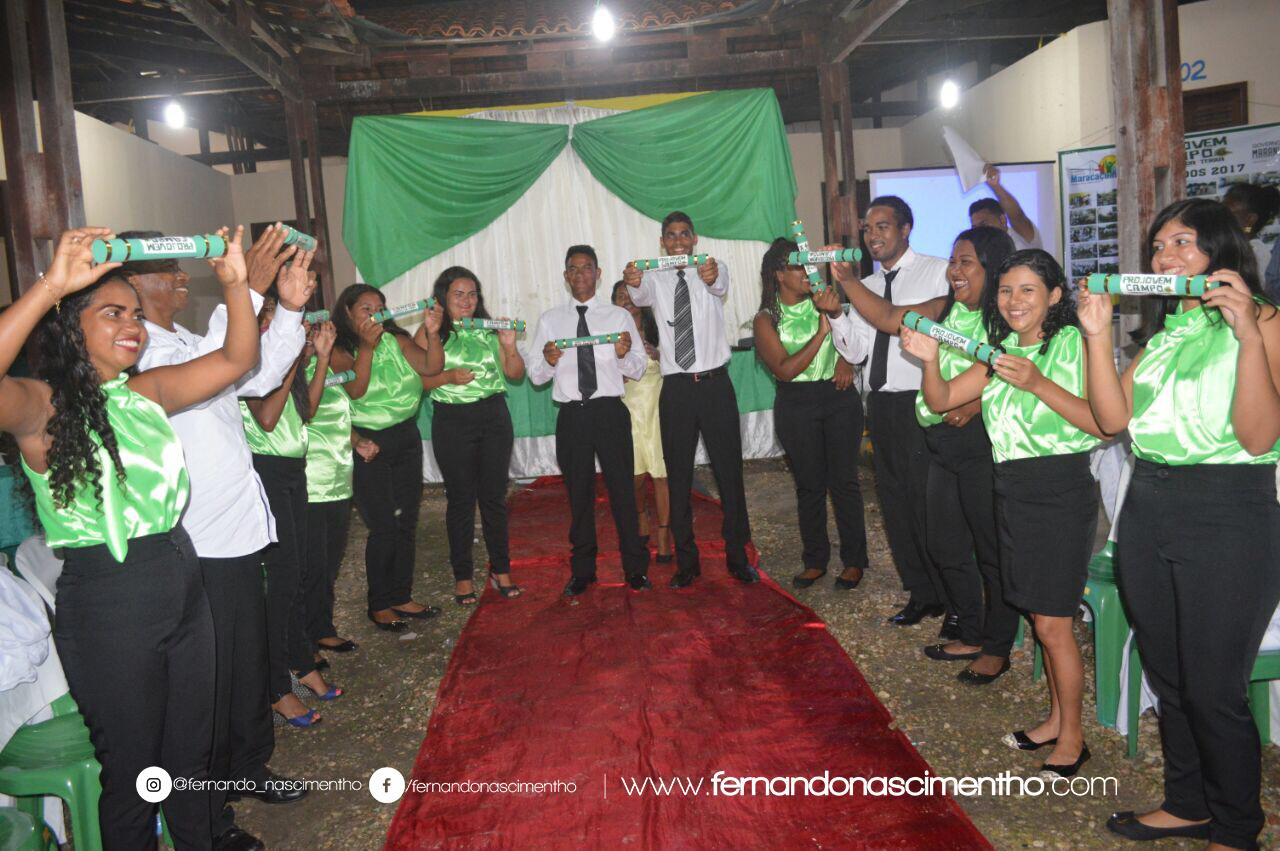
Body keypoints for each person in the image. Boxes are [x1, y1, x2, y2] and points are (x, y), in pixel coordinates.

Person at [0, 226, 258, 849]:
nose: (133, 325)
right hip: (109, 603)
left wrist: (236, 282)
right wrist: (51, 286)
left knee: (188, 769)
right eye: (112, 312)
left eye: (136, 314)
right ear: (69, 329)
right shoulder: (42, 408)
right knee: (136, 777)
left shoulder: (143, 395)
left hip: (181, 579)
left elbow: (235, 361)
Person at [1079, 198, 1280, 848]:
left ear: (1221, 251)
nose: (1166, 258)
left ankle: (1236, 825)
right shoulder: (1169, 334)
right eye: (1159, 246)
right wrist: (1096, 334)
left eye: (1183, 242)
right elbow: (1112, 420)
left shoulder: (1270, 322)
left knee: (1213, 685)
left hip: (1230, 512)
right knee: (1167, 673)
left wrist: (1248, 333)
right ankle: (1189, 801)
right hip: (1150, 507)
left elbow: (1256, 438)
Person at [129, 223, 309, 850]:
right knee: (204, 691)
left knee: (244, 666)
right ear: (131, 278)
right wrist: (248, 294)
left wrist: (284, 307)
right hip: (194, 536)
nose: (184, 277)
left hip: (234, 529)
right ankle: (209, 811)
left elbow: (253, 377)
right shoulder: (135, 349)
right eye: (170, 269)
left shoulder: (180, 337)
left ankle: (246, 768)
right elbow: (218, 365)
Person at [903, 248, 1106, 779]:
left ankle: (1075, 738)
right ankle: (1056, 720)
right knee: (1041, 620)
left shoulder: (1074, 345)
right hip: (1010, 489)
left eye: (1028, 290)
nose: (1013, 301)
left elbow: (1102, 424)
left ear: (1055, 296)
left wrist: (1037, 382)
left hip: (1059, 490)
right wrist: (928, 359)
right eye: (1006, 290)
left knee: (1055, 625)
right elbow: (944, 398)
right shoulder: (998, 352)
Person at [834, 226, 1019, 684]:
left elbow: (1023, 365)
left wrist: (977, 401)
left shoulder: (1005, 316)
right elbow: (892, 316)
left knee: (991, 551)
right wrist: (849, 282)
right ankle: (970, 628)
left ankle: (997, 645)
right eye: (953, 261)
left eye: (966, 262)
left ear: (991, 268)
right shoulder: (944, 308)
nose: (955, 271)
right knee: (945, 542)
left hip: (983, 443)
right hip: (940, 440)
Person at [622, 212, 759, 587]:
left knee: (729, 474)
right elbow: (638, 293)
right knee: (679, 477)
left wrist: (711, 276)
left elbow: (718, 284)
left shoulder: (713, 268)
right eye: (671, 236)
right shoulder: (652, 277)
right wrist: (632, 280)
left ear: (695, 238)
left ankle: (737, 557)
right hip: (677, 389)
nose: (679, 241)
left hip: (716, 386)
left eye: (685, 234)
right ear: (662, 242)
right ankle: (687, 562)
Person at [839, 196, 951, 627]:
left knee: (930, 504)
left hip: (923, 400)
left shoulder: (937, 271)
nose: (873, 236)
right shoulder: (864, 285)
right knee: (895, 503)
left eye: (882, 226)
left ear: (906, 229)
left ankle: (950, 593)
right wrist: (836, 319)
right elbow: (858, 352)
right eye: (867, 229)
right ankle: (921, 592)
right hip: (881, 402)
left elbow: (912, 327)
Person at [240, 297, 342, 726]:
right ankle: (277, 687)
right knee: (281, 580)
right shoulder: (248, 364)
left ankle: (302, 663)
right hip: (265, 469)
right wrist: (285, 366)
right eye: (268, 321)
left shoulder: (285, 363)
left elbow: (308, 411)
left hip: (293, 468)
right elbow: (266, 419)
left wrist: (316, 361)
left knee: (298, 571)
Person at [528, 246, 650, 594]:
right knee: (578, 495)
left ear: (598, 273)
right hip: (572, 416)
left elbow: (638, 368)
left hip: (610, 410)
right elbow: (536, 377)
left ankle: (635, 569)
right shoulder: (551, 320)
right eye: (573, 269)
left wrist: (624, 356)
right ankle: (583, 571)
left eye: (587, 268)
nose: (580, 274)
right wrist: (549, 361)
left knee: (623, 492)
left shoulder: (618, 317)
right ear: (566, 276)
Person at [753, 239, 869, 592]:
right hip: (796, 402)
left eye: (808, 265)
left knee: (845, 483)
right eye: (796, 266)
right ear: (777, 275)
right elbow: (785, 370)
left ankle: (854, 561)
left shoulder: (827, 302)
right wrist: (822, 334)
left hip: (837, 398)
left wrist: (844, 357)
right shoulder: (765, 319)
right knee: (809, 485)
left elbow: (854, 342)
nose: (806, 272)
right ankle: (815, 559)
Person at [331, 285, 444, 630]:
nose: (375, 314)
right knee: (383, 526)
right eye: (366, 308)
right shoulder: (339, 349)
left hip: (405, 437)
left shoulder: (398, 339)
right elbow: (356, 389)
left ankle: (401, 595)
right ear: (348, 313)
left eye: (380, 307)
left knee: (406, 522)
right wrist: (366, 347)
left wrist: (434, 333)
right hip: (369, 442)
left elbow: (431, 366)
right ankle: (378, 603)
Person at [420, 267, 525, 605]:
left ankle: (501, 568)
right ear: (443, 298)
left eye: (472, 294)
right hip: (452, 420)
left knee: (494, 497)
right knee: (462, 500)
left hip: (494, 416)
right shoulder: (431, 331)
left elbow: (515, 374)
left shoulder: (489, 329)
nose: (466, 301)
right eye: (458, 294)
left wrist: (509, 347)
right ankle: (462, 576)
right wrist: (448, 376)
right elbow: (417, 382)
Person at [302, 318, 367, 668]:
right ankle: (302, 640)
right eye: (308, 333)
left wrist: (358, 442)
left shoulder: (325, 367)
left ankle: (322, 627)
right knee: (308, 566)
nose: (313, 340)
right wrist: (321, 361)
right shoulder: (285, 372)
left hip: (339, 478)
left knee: (329, 562)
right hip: (308, 480)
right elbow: (305, 412)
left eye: (315, 333)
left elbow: (339, 417)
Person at [611, 280, 672, 563]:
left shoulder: (659, 328)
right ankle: (640, 515)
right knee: (633, 478)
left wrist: (659, 355)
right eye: (619, 296)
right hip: (627, 410)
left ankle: (663, 535)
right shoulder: (608, 336)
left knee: (661, 475)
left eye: (630, 295)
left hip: (658, 406)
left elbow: (677, 364)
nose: (626, 300)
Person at [969, 164, 1043, 250]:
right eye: (975, 228)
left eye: (984, 224)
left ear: (1002, 220)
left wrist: (995, 186)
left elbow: (1017, 216)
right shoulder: (981, 252)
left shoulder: (1021, 237)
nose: (979, 231)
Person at [1222, 182, 1279, 275]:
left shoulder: (1256, 253)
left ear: (1250, 219)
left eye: (1228, 213)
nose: (1221, 216)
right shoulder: (1230, 247)